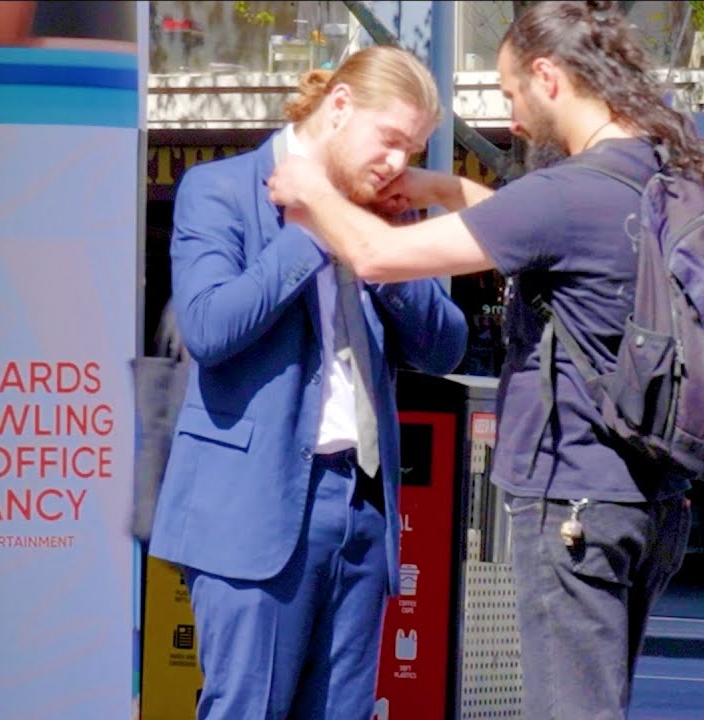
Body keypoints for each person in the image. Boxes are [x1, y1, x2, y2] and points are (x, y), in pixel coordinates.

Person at [268, 2, 704, 716]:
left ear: (548, 77)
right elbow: (548, 243)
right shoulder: (658, 176)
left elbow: (375, 255)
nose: (512, 119)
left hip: (573, 497)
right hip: (653, 499)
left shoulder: (563, 194)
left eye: (512, 93)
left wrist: (311, 191)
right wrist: (446, 191)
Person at [148, 45, 468, 720]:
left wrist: (383, 246)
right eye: (390, 142)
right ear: (341, 108)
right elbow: (208, 327)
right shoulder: (223, 189)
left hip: (361, 504)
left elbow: (445, 345)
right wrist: (316, 226)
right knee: (249, 707)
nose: (397, 165)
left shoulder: (380, 212)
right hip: (254, 506)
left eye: (411, 150)